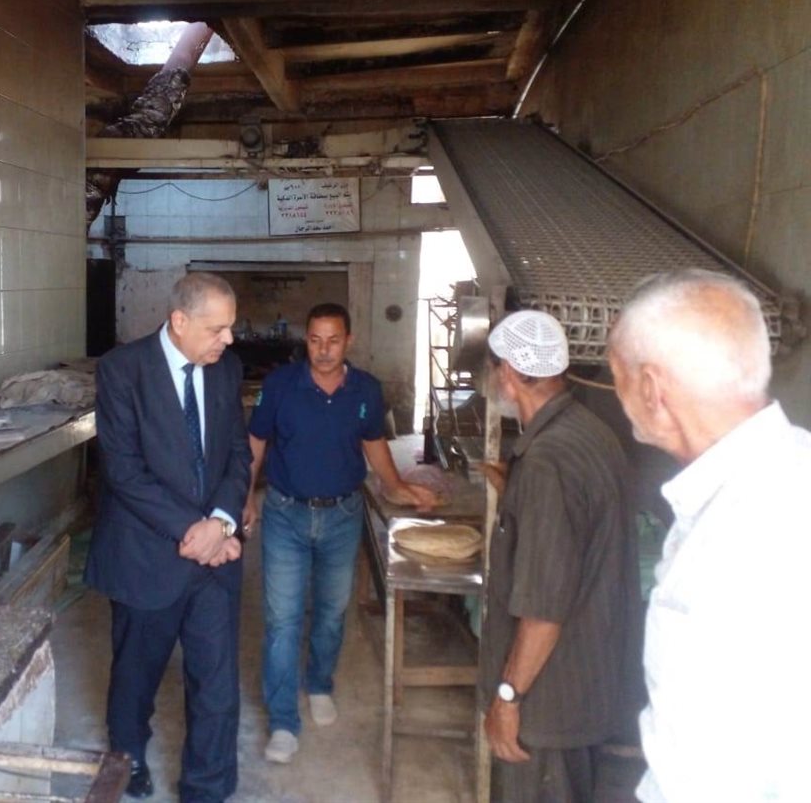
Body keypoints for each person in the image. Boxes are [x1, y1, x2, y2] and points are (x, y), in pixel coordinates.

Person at [608, 269, 811, 803]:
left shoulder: (738, 544)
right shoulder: (790, 473)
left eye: (617, 376)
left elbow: (711, 775)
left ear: (651, 389)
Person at [244, 302, 439, 764]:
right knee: (282, 619)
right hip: (286, 515)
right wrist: (244, 495)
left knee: (332, 612)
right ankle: (283, 721)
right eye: (315, 340)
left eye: (333, 340)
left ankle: (319, 685)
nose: (324, 350)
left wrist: (398, 487)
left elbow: (374, 444)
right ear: (305, 340)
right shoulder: (280, 385)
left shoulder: (366, 389)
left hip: (342, 517)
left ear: (348, 340)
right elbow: (256, 442)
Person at [84, 272, 251, 803]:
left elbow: (237, 455)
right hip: (146, 555)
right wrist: (193, 530)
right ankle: (128, 756)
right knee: (136, 676)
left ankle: (207, 788)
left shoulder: (226, 370)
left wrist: (220, 523)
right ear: (179, 321)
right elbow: (124, 470)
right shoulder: (122, 370)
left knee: (216, 687)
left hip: (214, 558)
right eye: (217, 329)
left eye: (231, 328)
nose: (228, 339)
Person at [478, 310, 638, 803]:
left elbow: (544, 610)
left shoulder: (547, 461)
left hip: (547, 703)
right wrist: (518, 493)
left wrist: (508, 698)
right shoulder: (591, 432)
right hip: (587, 684)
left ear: (508, 372)